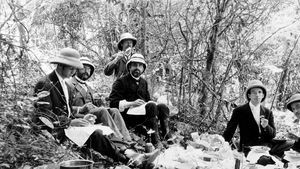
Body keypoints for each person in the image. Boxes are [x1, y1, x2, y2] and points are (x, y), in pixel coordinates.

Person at [33, 48, 157, 166]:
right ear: (60, 65)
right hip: (59, 130)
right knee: (97, 134)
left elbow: (67, 109)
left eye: (75, 68)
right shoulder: (45, 84)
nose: (73, 72)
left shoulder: (65, 84)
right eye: (71, 68)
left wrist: (82, 114)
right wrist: (71, 122)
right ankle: (129, 160)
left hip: (70, 126)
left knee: (104, 130)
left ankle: (132, 154)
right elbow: (45, 118)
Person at [109, 53, 170, 147]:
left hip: (143, 114)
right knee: (152, 106)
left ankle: (167, 136)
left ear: (143, 69)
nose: (137, 68)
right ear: (129, 67)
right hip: (128, 116)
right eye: (134, 65)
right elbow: (113, 103)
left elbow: (147, 100)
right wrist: (131, 103)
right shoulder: (121, 81)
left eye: (140, 65)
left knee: (162, 106)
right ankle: (155, 140)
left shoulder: (143, 82)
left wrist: (155, 102)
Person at [66, 56, 131, 141]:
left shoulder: (89, 88)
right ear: (76, 69)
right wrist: (80, 109)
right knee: (102, 110)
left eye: (89, 69)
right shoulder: (69, 84)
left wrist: (101, 101)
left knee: (114, 110)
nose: (86, 71)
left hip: (93, 114)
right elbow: (65, 107)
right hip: (79, 116)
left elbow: (95, 104)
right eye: (83, 68)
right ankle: (117, 139)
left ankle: (127, 139)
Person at [223, 79, 293, 157]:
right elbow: (229, 131)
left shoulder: (268, 112)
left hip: (267, 146)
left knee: (292, 144)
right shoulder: (239, 111)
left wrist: (266, 126)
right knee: (266, 160)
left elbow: (273, 134)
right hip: (249, 148)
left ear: (263, 95)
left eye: (259, 92)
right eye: (254, 92)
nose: (257, 95)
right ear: (249, 95)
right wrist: (223, 146)